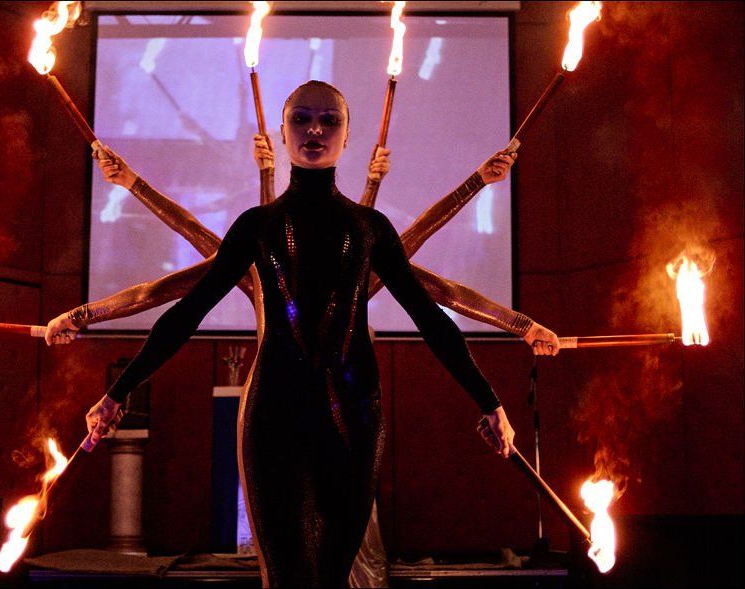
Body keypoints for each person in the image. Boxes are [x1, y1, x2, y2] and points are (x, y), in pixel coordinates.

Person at [82, 81, 516, 588]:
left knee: (331, 577)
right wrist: (116, 393)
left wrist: (490, 401)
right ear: (282, 132)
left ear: (348, 136)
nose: (315, 130)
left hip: (355, 418)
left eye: (330, 120)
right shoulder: (255, 226)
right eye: (301, 119)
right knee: (286, 576)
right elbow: (187, 312)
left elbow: (431, 318)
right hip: (273, 418)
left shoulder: (370, 228)